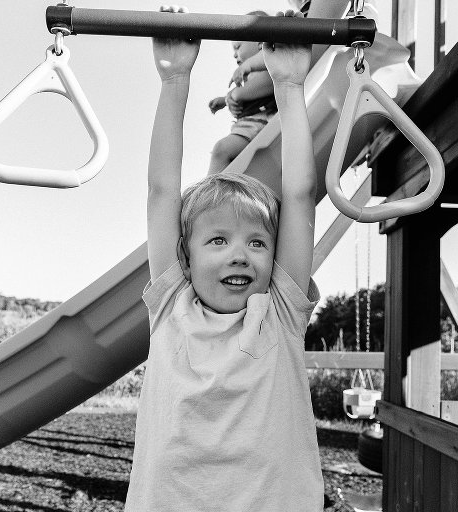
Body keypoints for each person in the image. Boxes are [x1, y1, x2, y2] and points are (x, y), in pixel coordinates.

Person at [124, 6, 323, 512]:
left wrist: (290, 87)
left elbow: (299, 194)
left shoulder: (279, 311)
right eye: (217, 241)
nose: (241, 254)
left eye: (257, 242)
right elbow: (161, 191)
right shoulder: (172, 304)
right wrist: (174, 81)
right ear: (184, 257)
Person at [207, 11, 277, 174]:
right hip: (249, 125)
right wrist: (225, 99)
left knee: (221, 150)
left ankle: (207, 191)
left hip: (259, 124)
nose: (234, 54)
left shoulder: (270, 64)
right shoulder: (252, 73)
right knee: (225, 153)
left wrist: (234, 95)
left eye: (238, 46)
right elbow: (250, 91)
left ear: (260, 42)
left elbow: (264, 85)